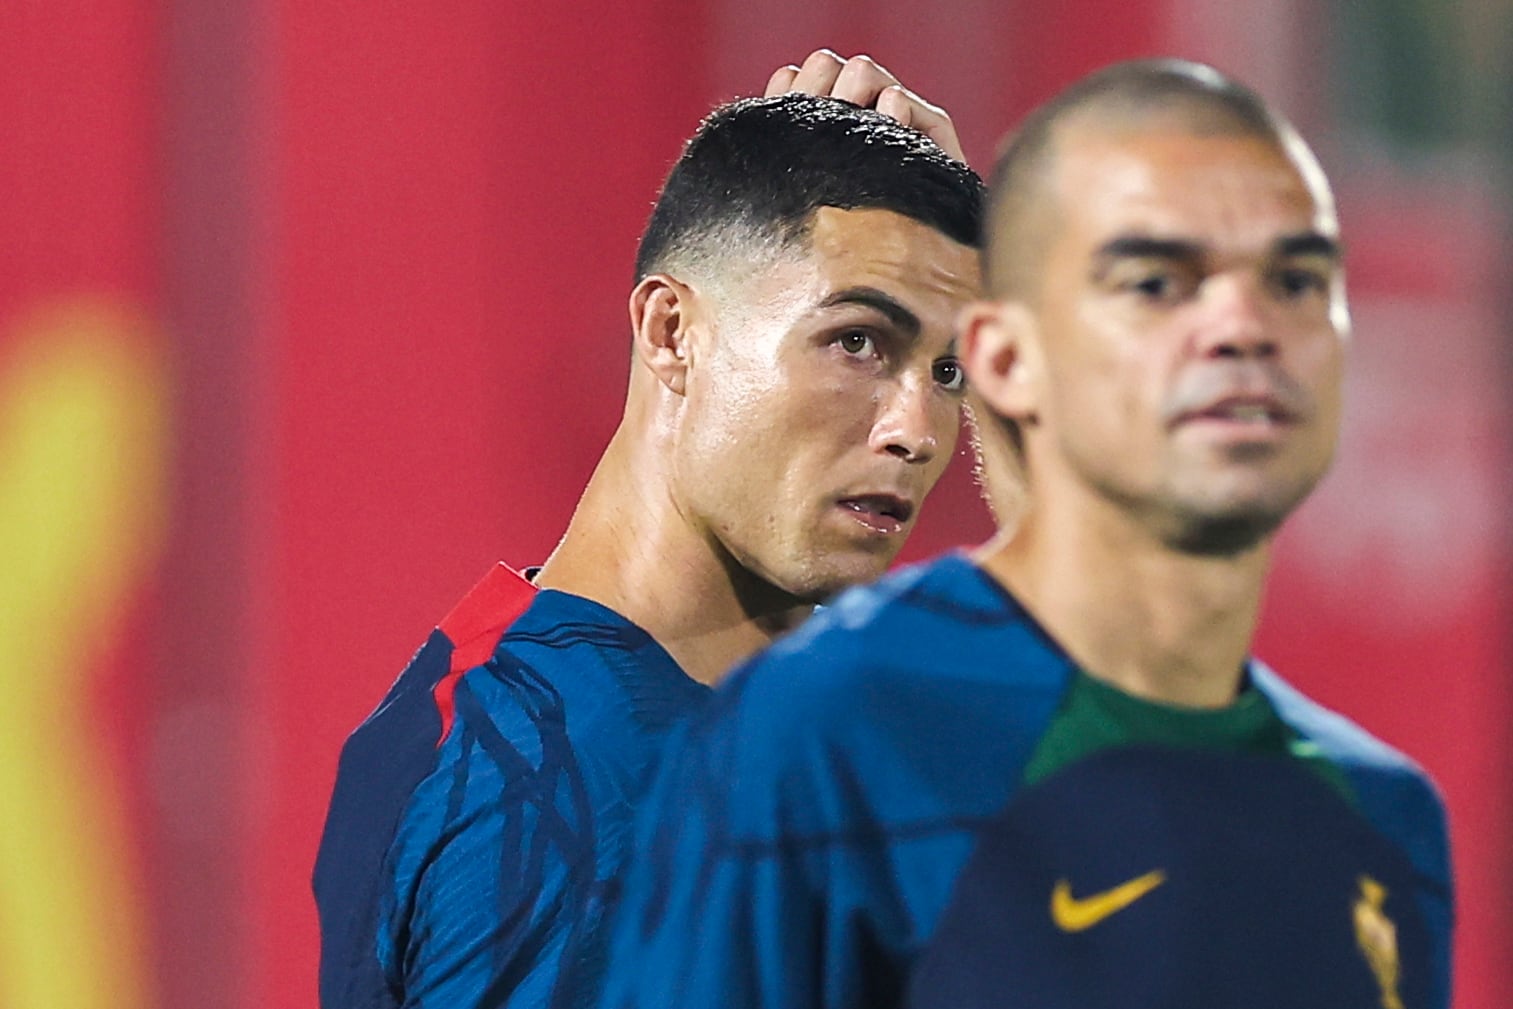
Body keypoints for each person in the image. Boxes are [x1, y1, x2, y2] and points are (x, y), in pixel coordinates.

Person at [600, 58, 1453, 1009]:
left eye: (1294, 278)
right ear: (1014, 358)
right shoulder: (812, 737)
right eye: (1157, 281)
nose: (1240, 327)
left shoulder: (1384, 818)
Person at [312, 51, 986, 1009]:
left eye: (949, 372)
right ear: (671, 333)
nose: (916, 432)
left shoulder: (570, 697)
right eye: (856, 342)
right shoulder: (586, 795)